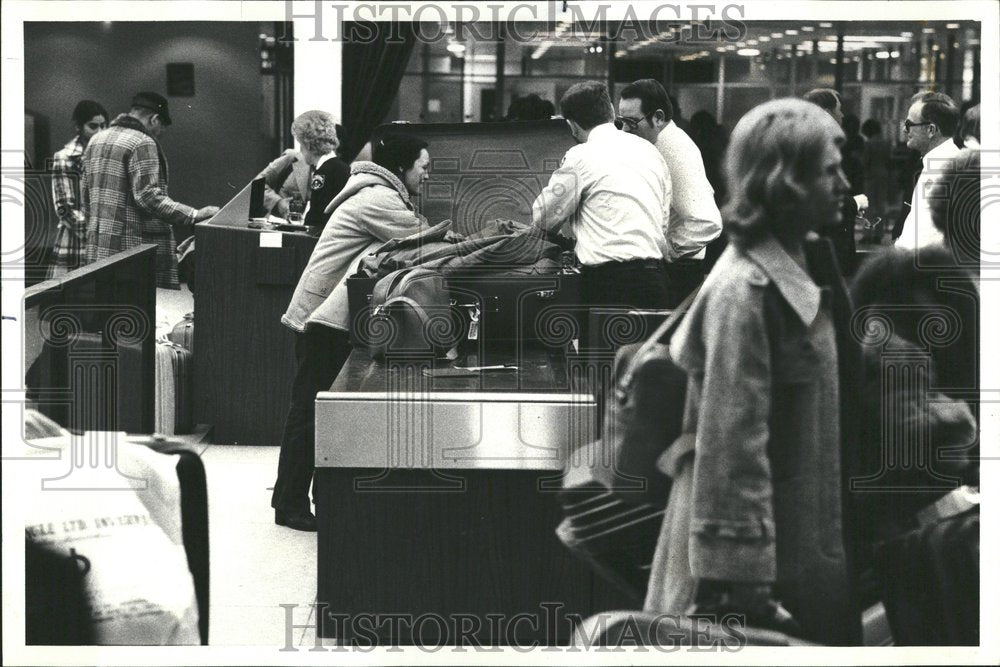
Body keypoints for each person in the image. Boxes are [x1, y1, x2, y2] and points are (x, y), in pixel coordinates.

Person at [645, 98, 861, 645]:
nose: (844, 184)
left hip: (787, 545)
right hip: (750, 577)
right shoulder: (747, 290)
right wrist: (743, 588)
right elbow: (731, 443)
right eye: (829, 171)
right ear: (785, 180)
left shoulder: (794, 266)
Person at [271, 133, 432, 531]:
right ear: (402, 167)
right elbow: (426, 236)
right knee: (310, 412)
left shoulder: (379, 192)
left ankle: (311, 499)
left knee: (314, 411)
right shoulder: (378, 199)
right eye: (423, 166)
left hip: (325, 315)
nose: (427, 175)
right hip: (323, 319)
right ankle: (289, 505)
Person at [531, 80, 672, 315]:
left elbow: (543, 219)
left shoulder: (580, 157)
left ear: (572, 126)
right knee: (645, 352)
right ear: (612, 112)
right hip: (656, 281)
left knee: (602, 353)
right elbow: (663, 219)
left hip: (608, 285)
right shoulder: (651, 151)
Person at [81, 92, 219, 289]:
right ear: (154, 119)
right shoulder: (142, 142)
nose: (161, 132)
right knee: (137, 312)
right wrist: (194, 214)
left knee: (109, 311)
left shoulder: (96, 140)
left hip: (99, 248)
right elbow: (148, 196)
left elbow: (85, 196)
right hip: (132, 251)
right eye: (162, 126)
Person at [617, 79, 722, 262]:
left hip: (678, 267)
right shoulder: (656, 144)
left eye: (632, 122)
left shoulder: (674, 149)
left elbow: (708, 222)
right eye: (622, 122)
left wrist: (664, 253)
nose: (625, 131)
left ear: (658, 117)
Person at [803, 88, 868, 273]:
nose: (842, 115)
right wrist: (852, 203)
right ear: (825, 112)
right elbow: (814, 198)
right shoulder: (812, 149)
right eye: (838, 109)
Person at [893, 91, 962, 250]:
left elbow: (926, 236)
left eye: (909, 124)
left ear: (931, 130)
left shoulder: (948, 171)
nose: (904, 130)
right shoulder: (934, 163)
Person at [47, 100, 108, 278]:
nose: (100, 132)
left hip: (105, 238)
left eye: (104, 126)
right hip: (78, 238)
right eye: (93, 126)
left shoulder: (109, 155)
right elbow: (64, 208)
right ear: (79, 127)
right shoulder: (64, 157)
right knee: (74, 297)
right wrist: (94, 235)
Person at [289, 110, 350, 228]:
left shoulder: (323, 173)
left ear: (309, 144)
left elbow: (316, 220)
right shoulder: (341, 168)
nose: (300, 150)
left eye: (301, 144)